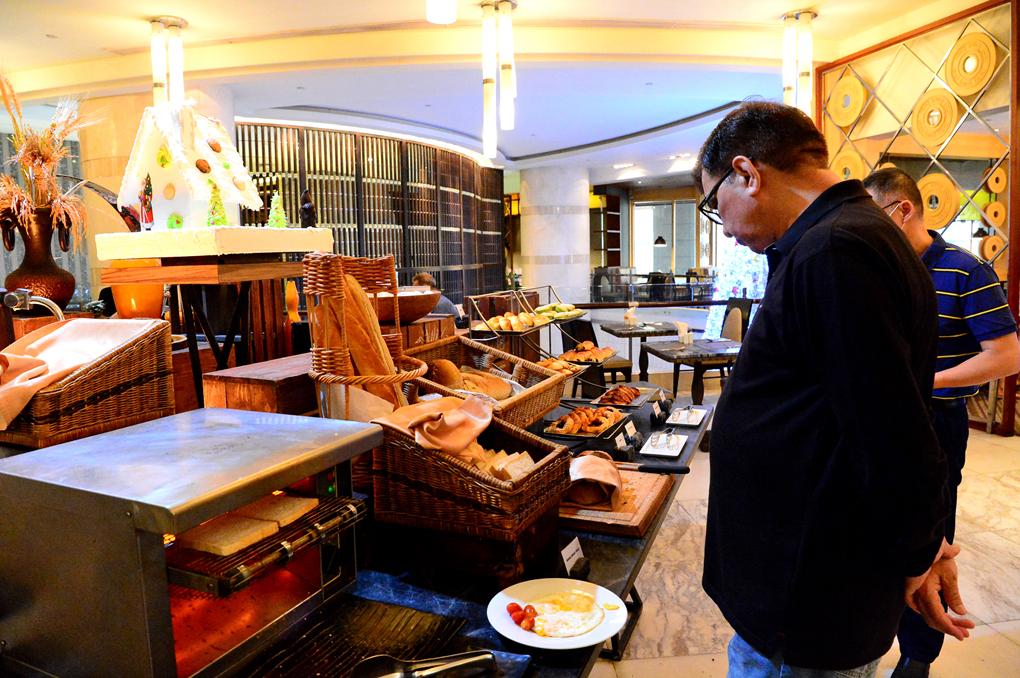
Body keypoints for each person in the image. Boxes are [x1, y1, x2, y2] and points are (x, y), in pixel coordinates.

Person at [694, 101, 974, 678]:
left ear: (746, 174)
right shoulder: (843, 237)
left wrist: (919, 551)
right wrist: (922, 543)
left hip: (809, 595)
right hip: (807, 582)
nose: (724, 226)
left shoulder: (834, 250)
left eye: (714, 203)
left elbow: (893, 435)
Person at [863, 167, 1019, 678]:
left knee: (929, 538)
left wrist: (922, 383)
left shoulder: (965, 270)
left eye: (872, 216)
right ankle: (868, 637)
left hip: (936, 422)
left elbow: (1006, 355)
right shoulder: (874, 266)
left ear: (902, 210)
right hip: (876, 419)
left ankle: (918, 656)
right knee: (874, 530)